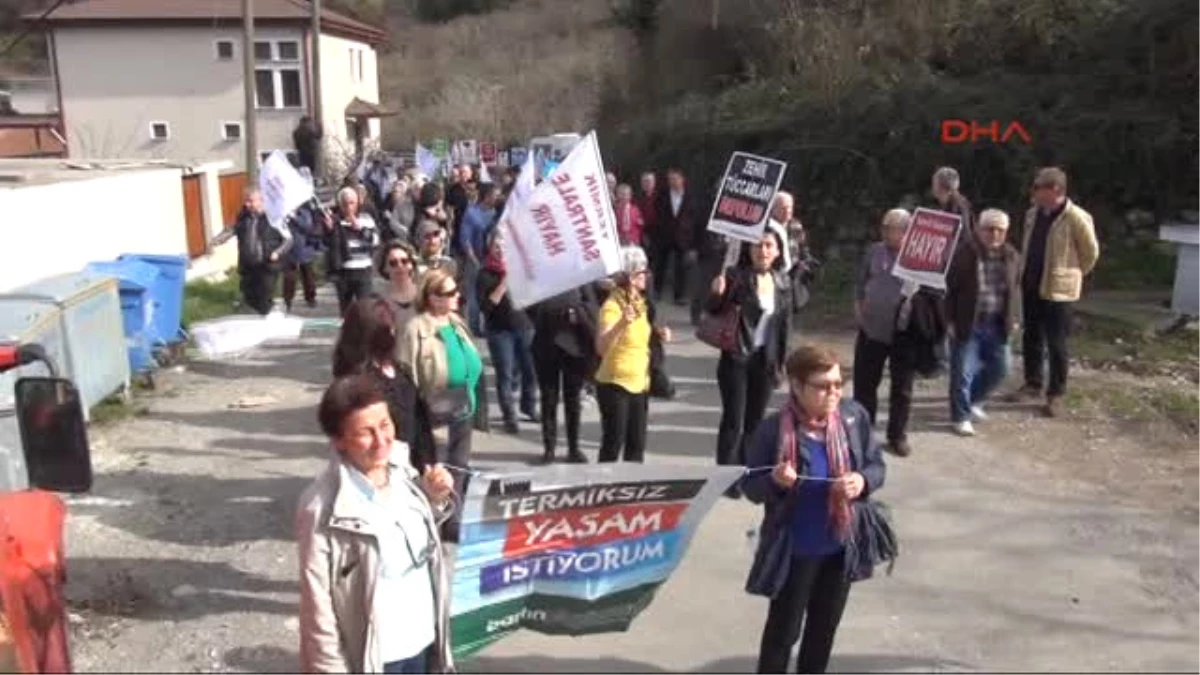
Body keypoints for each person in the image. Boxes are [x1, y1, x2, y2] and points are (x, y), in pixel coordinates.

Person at [742, 344, 887, 675]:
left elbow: (877, 466)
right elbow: (750, 487)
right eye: (823, 386)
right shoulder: (772, 431)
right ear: (796, 385)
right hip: (795, 550)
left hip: (840, 548)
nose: (833, 393)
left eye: (838, 384)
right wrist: (777, 481)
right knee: (783, 633)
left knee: (823, 633)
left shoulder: (853, 418)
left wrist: (862, 481)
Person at [296, 375, 455, 673]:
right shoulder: (322, 508)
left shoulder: (404, 472)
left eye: (384, 425)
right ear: (339, 441)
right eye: (366, 432)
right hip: (379, 655)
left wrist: (432, 499)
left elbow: (414, 543)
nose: (382, 441)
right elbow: (318, 608)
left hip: (423, 637)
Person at [397, 268, 483, 543]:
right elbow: (406, 375)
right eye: (447, 293)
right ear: (431, 297)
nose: (456, 296)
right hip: (434, 412)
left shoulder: (456, 322)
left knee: (459, 466)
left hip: (463, 407)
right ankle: (431, 521)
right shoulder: (416, 328)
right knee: (437, 471)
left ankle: (453, 520)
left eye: (455, 290)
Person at [707, 228, 793, 491]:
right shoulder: (735, 277)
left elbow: (784, 328)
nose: (762, 250)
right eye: (757, 245)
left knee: (755, 422)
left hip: (764, 361)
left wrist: (780, 364)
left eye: (768, 245)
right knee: (734, 419)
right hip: (736, 358)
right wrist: (716, 293)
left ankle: (748, 472)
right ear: (748, 249)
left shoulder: (782, 282)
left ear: (778, 251)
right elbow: (713, 310)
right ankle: (725, 478)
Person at [1013, 166, 1100, 417]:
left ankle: (1056, 393)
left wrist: (1072, 274)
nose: (1034, 191)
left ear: (1055, 190)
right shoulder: (1032, 214)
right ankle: (1032, 383)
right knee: (1032, 336)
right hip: (1031, 285)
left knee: (1056, 343)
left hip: (1059, 291)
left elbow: (1090, 254)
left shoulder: (1077, 218)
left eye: (1038, 187)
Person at [332, 297, 434, 472]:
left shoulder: (395, 367)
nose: (394, 332)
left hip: (414, 457)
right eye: (389, 329)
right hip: (383, 464)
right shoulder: (357, 382)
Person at [945, 208, 1021, 436]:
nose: (995, 234)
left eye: (1000, 230)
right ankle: (960, 416)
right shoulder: (964, 253)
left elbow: (1015, 290)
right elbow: (949, 290)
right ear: (979, 229)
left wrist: (1015, 317)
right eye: (990, 229)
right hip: (968, 321)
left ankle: (974, 401)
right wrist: (948, 320)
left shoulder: (1012, 256)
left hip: (997, 322)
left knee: (1001, 368)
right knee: (962, 372)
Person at [852, 209, 918, 458]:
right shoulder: (874, 251)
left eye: (891, 227)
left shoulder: (918, 258)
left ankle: (897, 435)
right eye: (885, 226)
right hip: (871, 329)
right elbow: (861, 281)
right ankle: (863, 432)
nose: (885, 231)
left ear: (906, 231)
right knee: (865, 384)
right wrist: (858, 307)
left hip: (904, 332)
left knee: (902, 388)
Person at [594, 247, 670, 463]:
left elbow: (639, 336)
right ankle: (604, 488)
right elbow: (601, 347)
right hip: (615, 383)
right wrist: (620, 324)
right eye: (641, 273)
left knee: (636, 446)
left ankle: (632, 493)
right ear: (629, 277)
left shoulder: (641, 303)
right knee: (613, 444)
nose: (646, 276)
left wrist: (658, 334)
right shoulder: (612, 305)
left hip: (640, 382)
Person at [526, 285, 598, 465]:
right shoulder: (543, 281)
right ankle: (549, 448)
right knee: (548, 399)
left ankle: (573, 448)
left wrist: (578, 313)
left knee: (572, 400)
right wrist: (551, 315)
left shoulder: (580, 281)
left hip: (574, 349)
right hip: (546, 347)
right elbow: (529, 308)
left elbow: (593, 306)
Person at [476, 230, 539, 435]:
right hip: (500, 331)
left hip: (523, 326)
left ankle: (528, 406)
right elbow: (486, 307)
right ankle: (509, 415)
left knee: (530, 371)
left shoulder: (519, 268)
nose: (500, 249)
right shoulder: (485, 274)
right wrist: (503, 284)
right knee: (506, 374)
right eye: (496, 245)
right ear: (490, 247)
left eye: (504, 245)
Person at [210, 187, 292, 315]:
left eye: (251, 201)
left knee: (264, 295)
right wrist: (217, 240)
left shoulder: (273, 217)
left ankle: (269, 315)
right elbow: (232, 230)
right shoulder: (243, 216)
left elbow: (288, 239)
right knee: (251, 298)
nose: (247, 204)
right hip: (248, 264)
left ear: (261, 201)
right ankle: (263, 315)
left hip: (267, 264)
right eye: (246, 201)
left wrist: (278, 252)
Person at [652, 167, 703, 306]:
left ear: (682, 179)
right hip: (665, 236)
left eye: (675, 179)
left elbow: (695, 218)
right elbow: (657, 213)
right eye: (670, 179)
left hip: (683, 237)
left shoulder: (691, 196)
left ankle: (679, 296)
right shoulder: (663, 195)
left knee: (681, 267)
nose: (672, 182)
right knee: (661, 264)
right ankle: (657, 291)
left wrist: (693, 240)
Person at [325, 186, 380, 315]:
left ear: (357, 203)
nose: (348, 207)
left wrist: (360, 229)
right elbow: (326, 246)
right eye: (345, 204)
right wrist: (329, 230)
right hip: (344, 271)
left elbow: (375, 241)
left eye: (351, 203)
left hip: (363, 269)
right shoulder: (335, 221)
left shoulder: (366, 219)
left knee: (365, 309)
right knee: (346, 312)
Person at [457, 183, 500, 336]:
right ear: (486, 196)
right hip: (477, 260)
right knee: (474, 295)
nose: (497, 198)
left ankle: (492, 325)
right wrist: (474, 261)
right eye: (495, 195)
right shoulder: (471, 213)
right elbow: (465, 239)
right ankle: (475, 328)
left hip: (494, 263)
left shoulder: (497, 213)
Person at [282, 203, 322, 312]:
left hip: (304, 247)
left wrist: (294, 217)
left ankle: (311, 297)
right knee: (289, 277)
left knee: (308, 274)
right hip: (289, 248)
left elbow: (307, 227)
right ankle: (287, 300)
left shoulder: (304, 212)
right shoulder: (283, 213)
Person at [377, 241, 420, 329]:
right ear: (385, 268)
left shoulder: (427, 295)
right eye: (393, 263)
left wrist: (454, 343)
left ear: (411, 264)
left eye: (404, 261)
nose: (400, 266)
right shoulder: (380, 304)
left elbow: (444, 325)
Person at [637, 170, 659, 250]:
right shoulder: (637, 198)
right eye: (644, 181)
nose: (647, 184)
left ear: (654, 182)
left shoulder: (661, 197)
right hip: (643, 233)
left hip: (659, 233)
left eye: (649, 181)